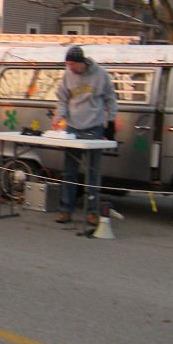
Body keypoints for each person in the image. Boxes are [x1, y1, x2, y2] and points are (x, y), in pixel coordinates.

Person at [52, 45, 118, 226]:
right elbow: (62, 99)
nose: (70, 67)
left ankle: (91, 211)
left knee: (93, 171)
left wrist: (111, 122)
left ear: (82, 62)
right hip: (73, 127)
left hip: (94, 127)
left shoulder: (100, 75)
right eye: (68, 64)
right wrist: (59, 116)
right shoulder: (68, 75)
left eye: (73, 64)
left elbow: (111, 100)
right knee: (69, 171)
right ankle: (66, 209)